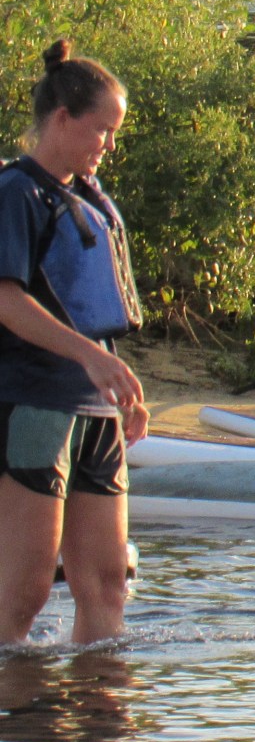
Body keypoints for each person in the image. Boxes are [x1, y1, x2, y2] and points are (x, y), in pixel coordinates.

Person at [0, 42, 144, 646]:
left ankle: (96, 726)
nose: (107, 145)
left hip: (95, 411)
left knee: (108, 583)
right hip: (36, 402)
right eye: (102, 130)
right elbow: (7, 298)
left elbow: (89, 310)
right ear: (62, 119)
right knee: (26, 590)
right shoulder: (16, 193)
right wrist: (85, 355)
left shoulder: (85, 198)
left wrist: (116, 379)